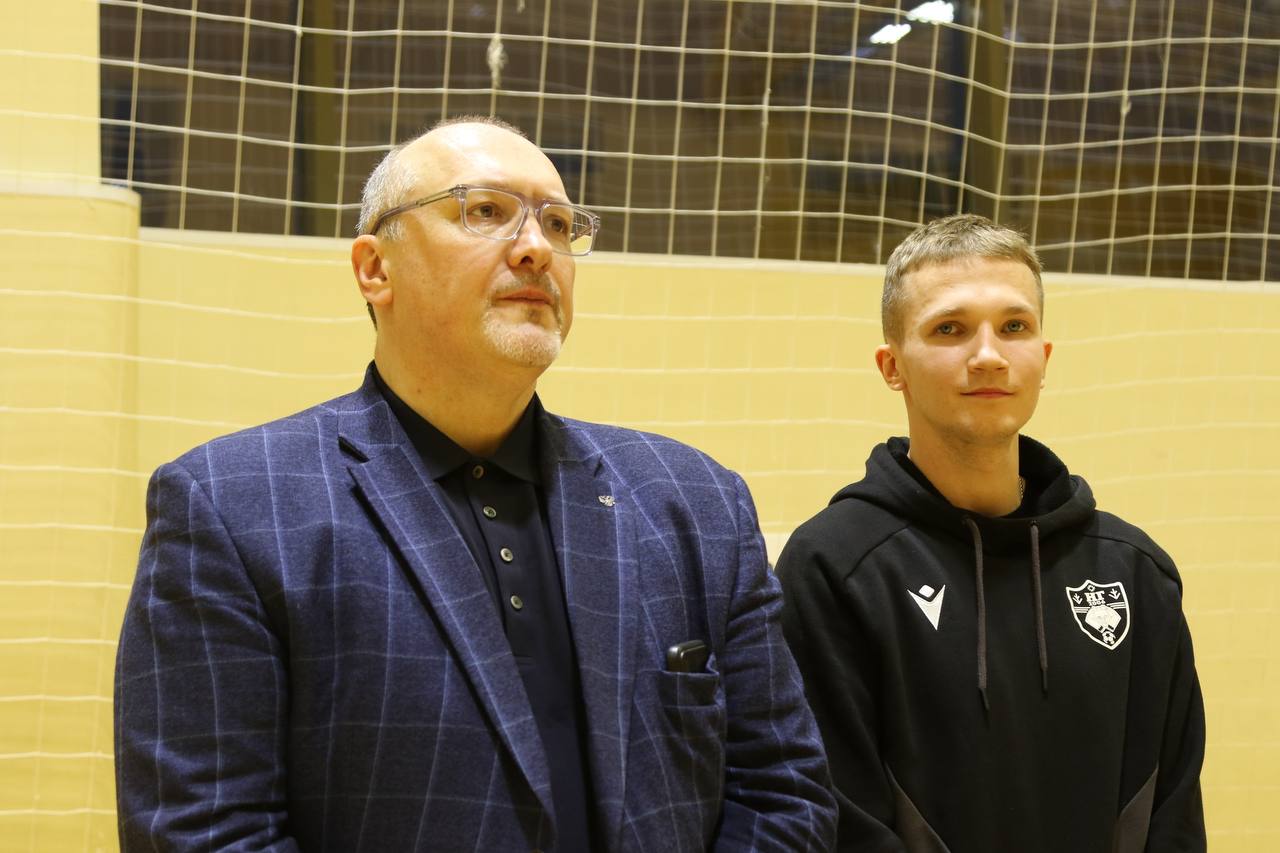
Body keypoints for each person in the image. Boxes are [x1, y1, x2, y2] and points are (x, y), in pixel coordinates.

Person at [114, 116, 836, 852]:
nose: (536, 247)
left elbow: (784, 792)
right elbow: (205, 831)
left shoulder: (700, 503)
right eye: (485, 211)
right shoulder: (231, 505)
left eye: (558, 223)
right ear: (375, 268)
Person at [776, 214, 1205, 852]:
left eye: (1014, 327)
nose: (988, 355)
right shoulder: (833, 567)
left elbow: (1172, 813)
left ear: (1043, 358)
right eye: (949, 329)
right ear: (892, 366)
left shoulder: (1135, 570)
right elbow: (839, 816)